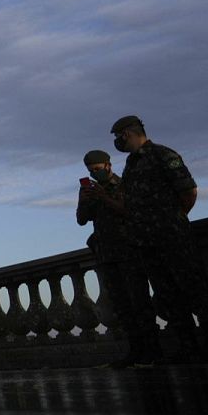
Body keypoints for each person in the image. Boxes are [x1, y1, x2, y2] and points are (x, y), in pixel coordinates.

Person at [108, 116, 208, 361]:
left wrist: (173, 220)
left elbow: (188, 191)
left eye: (118, 137)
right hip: (146, 242)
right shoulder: (131, 164)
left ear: (127, 134)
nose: (117, 142)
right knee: (168, 296)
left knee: (195, 292)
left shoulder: (162, 155)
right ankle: (188, 347)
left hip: (172, 237)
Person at [76, 149, 160, 366]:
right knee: (122, 306)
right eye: (91, 171)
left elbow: (130, 211)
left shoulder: (123, 185)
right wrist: (85, 201)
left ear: (108, 165)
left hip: (129, 251)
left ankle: (152, 350)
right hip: (106, 254)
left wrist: (104, 197)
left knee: (139, 302)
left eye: (97, 169)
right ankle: (135, 350)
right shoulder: (89, 190)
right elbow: (81, 220)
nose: (95, 173)